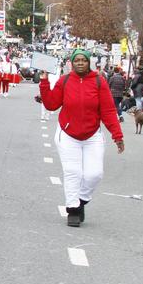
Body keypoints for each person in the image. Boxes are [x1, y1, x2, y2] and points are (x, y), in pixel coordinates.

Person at [39, 48, 124, 228]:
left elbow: (108, 111)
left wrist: (117, 135)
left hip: (92, 134)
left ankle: (81, 200)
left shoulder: (99, 82)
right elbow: (52, 104)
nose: (79, 63)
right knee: (73, 172)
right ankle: (73, 211)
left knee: (95, 174)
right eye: (76, 60)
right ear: (71, 63)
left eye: (83, 60)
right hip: (68, 134)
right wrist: (44, 83)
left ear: (88, 62)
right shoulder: (65, 80)